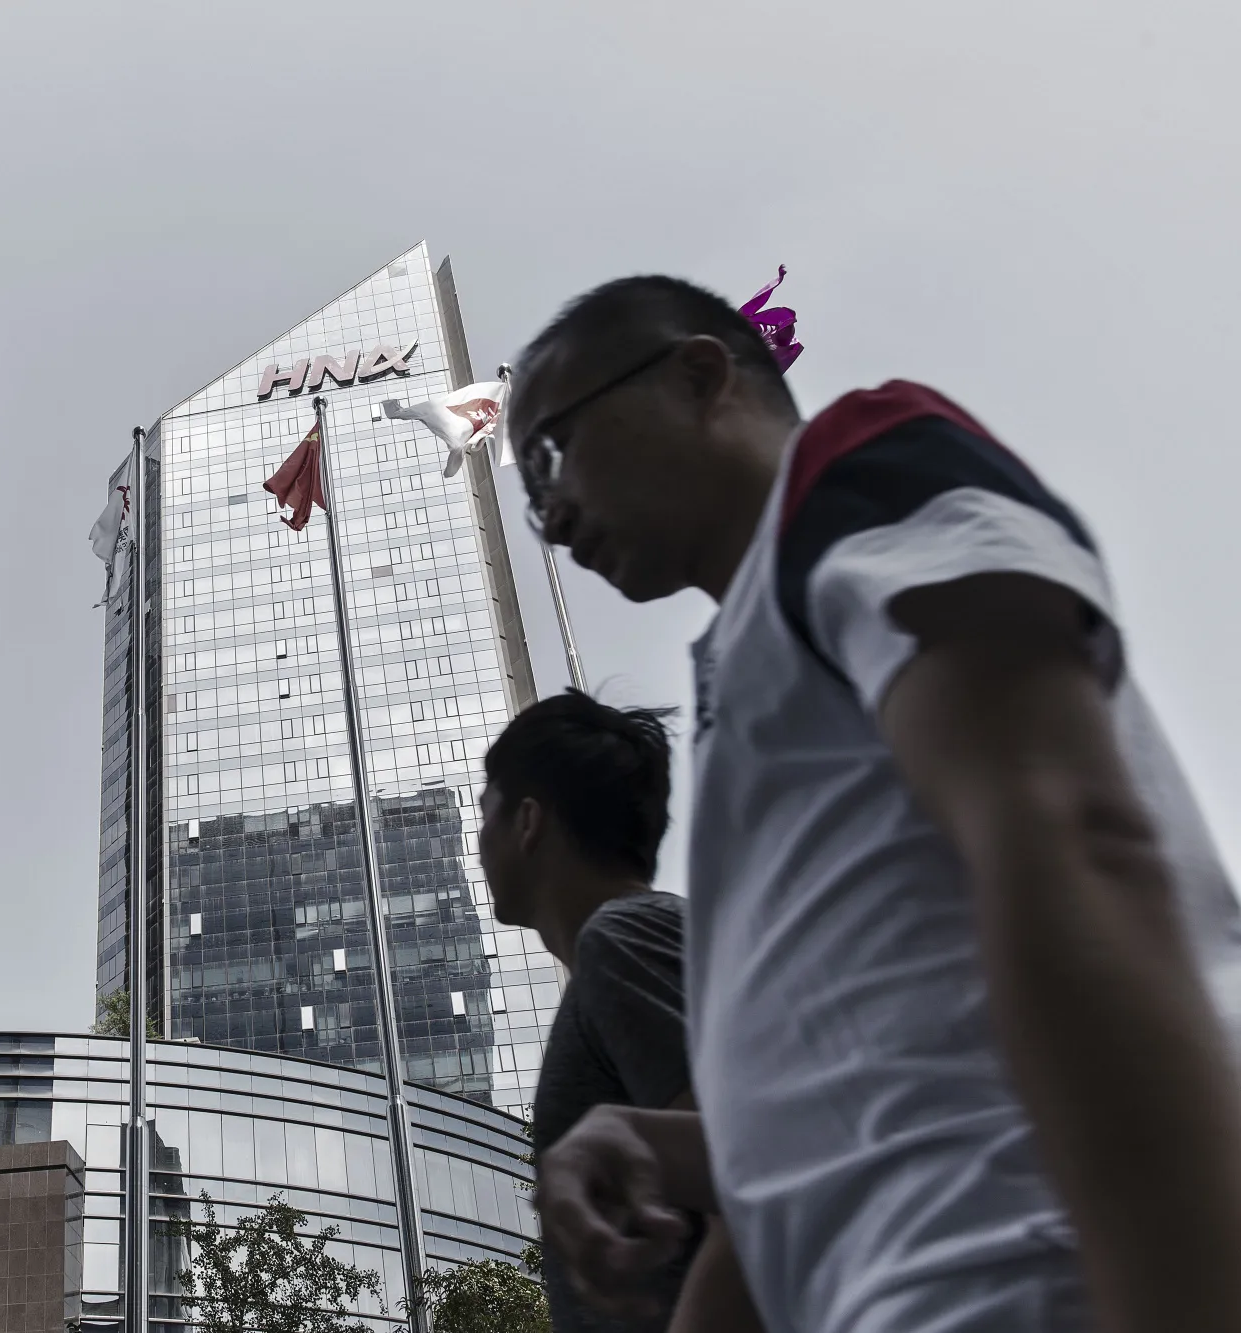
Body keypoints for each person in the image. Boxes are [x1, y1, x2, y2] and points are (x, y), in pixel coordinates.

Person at [505, 275, 1241, 1333]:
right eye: (529, 495)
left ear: (699, 374)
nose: (551, 511)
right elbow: (819, 1147)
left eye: (552, 451)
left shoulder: (859, 466)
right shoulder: (752, 682)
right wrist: (661, 1145)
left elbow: (1072, 837)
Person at [477, 690, 698, 1332]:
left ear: (528, 822)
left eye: (485, 811)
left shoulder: (623, 939)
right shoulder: (635, 943)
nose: (479, 837)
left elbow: (754, 1180)